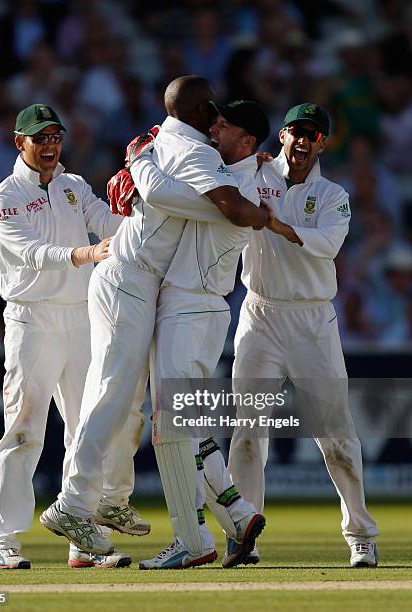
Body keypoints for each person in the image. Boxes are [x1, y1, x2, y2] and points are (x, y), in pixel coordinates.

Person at [40, 76, 269, 569]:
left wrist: (145, 164)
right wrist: (240, 208)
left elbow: (175, 193)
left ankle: (223, 516)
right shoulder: (198, 152)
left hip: (155, 289)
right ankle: (76, 503)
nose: (220, 122)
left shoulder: (175, 143)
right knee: (121, 397)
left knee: (162, 412)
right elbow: (193, 199)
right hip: (131, 280)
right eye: (217, 114)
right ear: (203, 112)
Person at [0, 103, 144, 570]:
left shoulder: (74, 186)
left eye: (56, 137)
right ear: (20, 143)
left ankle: (82, 538)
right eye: (41, 138)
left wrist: (149, 212)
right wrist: (87, 253)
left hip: (82, 319)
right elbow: (31, 253)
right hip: (32, 320)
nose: (51, 146)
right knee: (24, 431)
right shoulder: (3, 198)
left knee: (85, 429)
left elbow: (112, 224)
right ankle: (2, 541)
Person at [228, 103, 379, 567]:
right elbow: (216, 187)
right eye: (295, 132)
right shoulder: (253, 173)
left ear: (322, 144)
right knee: (248, 433)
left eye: (311, 136)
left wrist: (275, 223)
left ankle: (360, 534)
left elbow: (327, 246)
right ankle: (243, 533)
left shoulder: (333, 195)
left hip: (313, 322)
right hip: (260, 316)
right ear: (283, 136)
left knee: (335, 436)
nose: (301, 142)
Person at [124, 100, 271, 568]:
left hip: (192, 307)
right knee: (192, 428)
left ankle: (192, 540)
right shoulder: (233, 170)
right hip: (195, 309)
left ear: (247, 141)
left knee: (171, 430)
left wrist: (140, 159)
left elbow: (163, 194)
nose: (214, 128)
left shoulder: (233, 185)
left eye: (224, 126)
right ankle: (238, 516)